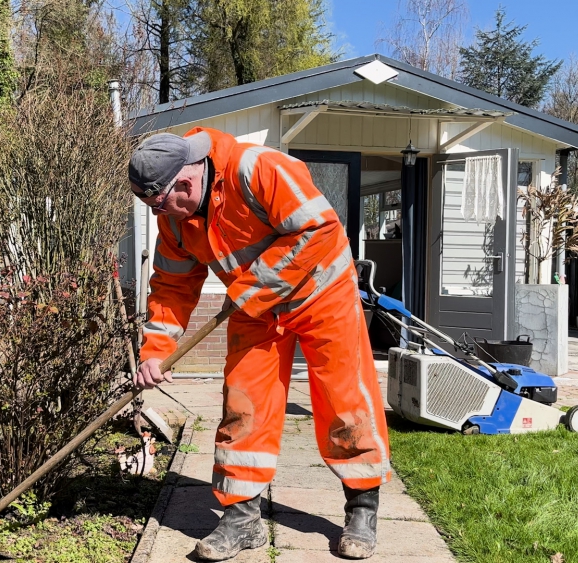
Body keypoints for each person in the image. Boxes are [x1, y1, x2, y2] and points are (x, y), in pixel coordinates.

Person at [128, 128, 391, 561]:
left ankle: (362, 507)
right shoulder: (174, 219)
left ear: (186, 183)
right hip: (254, 310)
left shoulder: (258, 169)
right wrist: (155, 349)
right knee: (243, 404)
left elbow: (318, 230)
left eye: (158, 204)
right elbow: (172, 286)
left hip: (322, 296)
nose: (160, 216)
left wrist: (251, 287)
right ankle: (242, 519)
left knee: (345, 399)